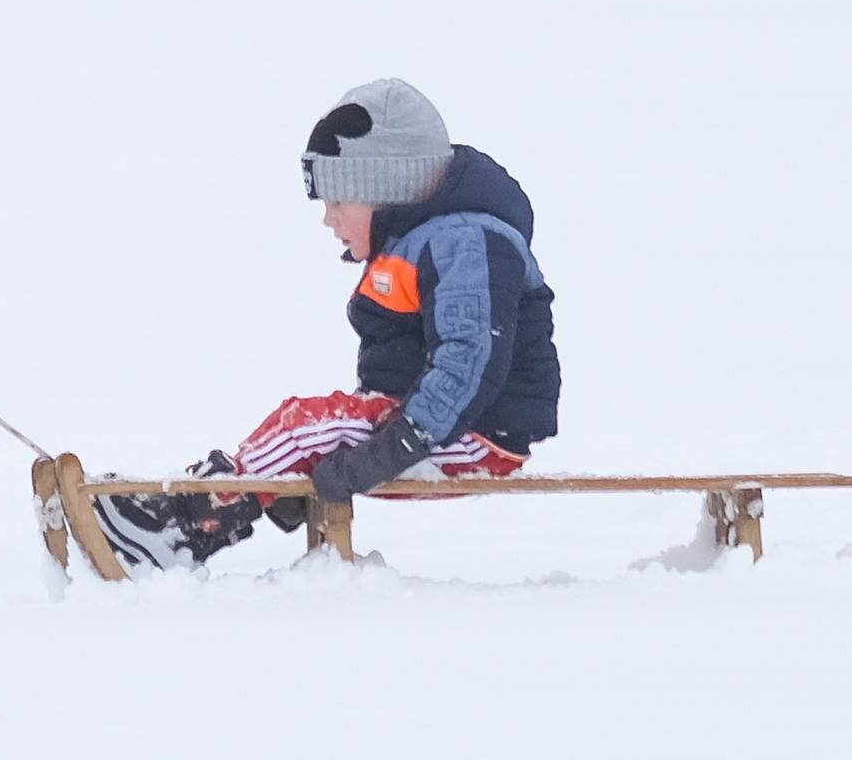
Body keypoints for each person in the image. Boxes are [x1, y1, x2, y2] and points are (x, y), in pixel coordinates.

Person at [88, 79, 563, 573]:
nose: (329, 220)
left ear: (384, 192)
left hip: (475, 431)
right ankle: (198, 506)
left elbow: (470, 356)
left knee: (307, 427)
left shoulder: (465, 244)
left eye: (338, 203)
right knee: (312, 428)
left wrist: (403, 439)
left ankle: (187, 526)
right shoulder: (421, 242)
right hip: (430, 424)